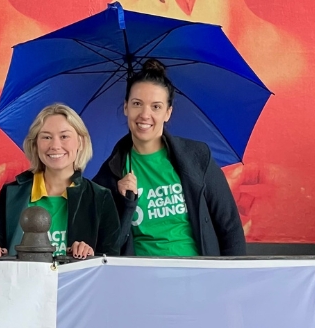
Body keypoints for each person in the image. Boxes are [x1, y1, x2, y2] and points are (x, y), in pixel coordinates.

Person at [92, 59, 245, 256]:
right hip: (140, 280)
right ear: (126, 108)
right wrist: (124, 203)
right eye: (137, 104)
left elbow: (230, 228)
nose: (145, 115)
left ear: (168, 113)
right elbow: (107, 248)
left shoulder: (197, 157)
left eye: (156, 106)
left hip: (197, 276)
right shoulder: (109, 176)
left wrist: (229, 280)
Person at [0, 104, 120, 259]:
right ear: (35, 144)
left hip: (75, 283)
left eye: (64, 136)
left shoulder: (101, 197)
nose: (55, 145)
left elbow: (109, 261)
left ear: (80, 142)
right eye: (46, 137)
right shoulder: (11, 193)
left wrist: (90, 256)